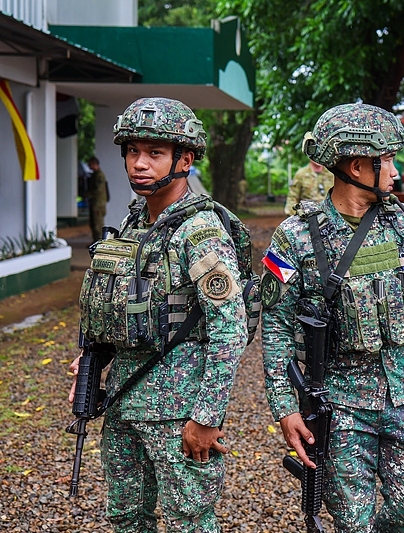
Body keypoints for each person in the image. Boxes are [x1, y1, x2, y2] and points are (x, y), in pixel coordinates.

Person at [261, 103, 404, 532]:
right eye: (385, 159)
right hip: (340, 402)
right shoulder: (293, 237)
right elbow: (275, 322)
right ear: (356, 165)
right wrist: (284, 406)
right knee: (353, 521)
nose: (394, 170)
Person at [69, 97, 248, 532]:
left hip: (179, 411)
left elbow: (231, 329)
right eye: (133, 151)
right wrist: (97, 358)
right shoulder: (134, 225)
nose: (139, 164)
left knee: (190, 521)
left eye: (154, 153)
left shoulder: (200, 233)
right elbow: (132, 306)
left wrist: (206, 416)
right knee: (127, 518)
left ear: (184, 160)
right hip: (124, 401)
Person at [86, 156, 109, 242]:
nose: (89, 166)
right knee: (93, 223)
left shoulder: (99, 175)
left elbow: (98, 190)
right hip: (95, 202)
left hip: (98, 203)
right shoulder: (95, 175)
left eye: (90, 164)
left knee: (97, 224)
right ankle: (95, 241)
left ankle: (100, 242)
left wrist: (88, 195)